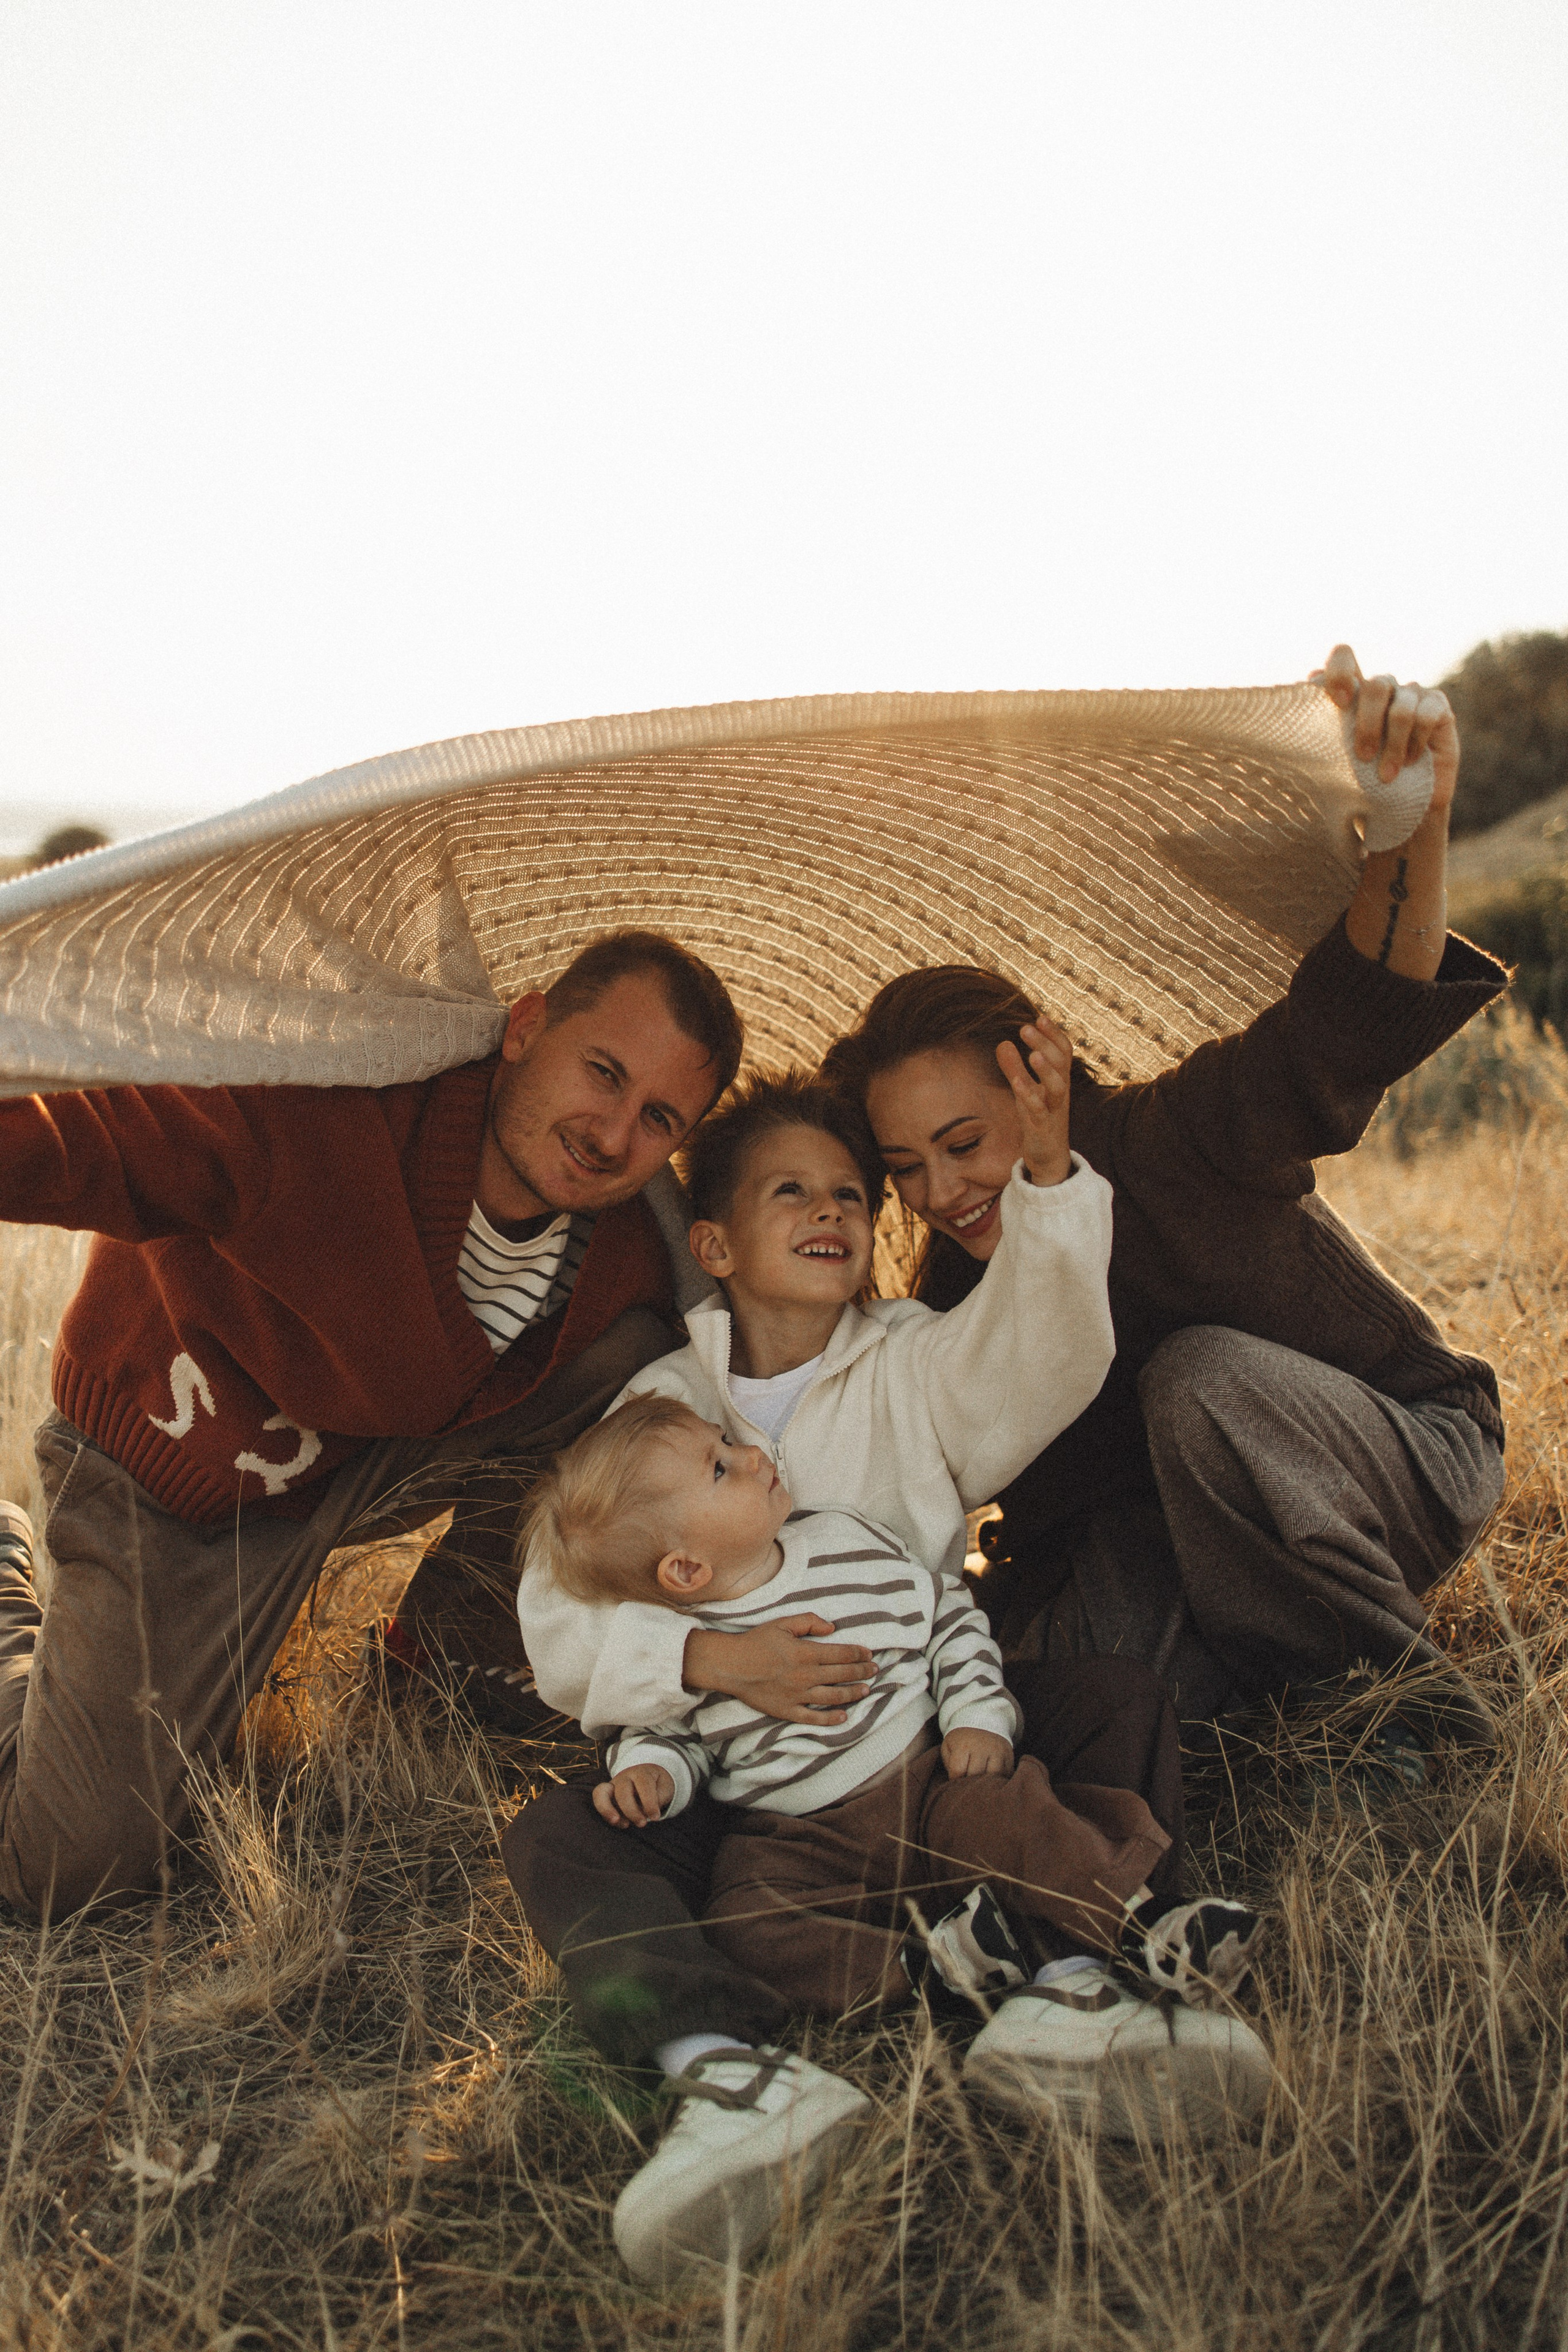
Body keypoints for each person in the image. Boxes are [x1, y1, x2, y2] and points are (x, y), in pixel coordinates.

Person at [508, 1061, 1267, 2278]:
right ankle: (731, 2076)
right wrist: (708, 1658)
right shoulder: (663, 1403)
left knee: (1112, 1696)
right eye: (790, 1194)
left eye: (854, 1195)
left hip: (931, 1753)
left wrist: (1053, 1178)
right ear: (713, 1241)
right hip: (757, 1800)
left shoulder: (915, 1359)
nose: (831, 1213)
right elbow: (557, 1609)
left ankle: (1073, 1978)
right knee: (558, 1836)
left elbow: (1046, 1348)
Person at [820, 649, 1509, 1731]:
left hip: (1394, 1452)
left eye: (963, 1143)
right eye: (905, 1167)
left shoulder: (1172, 1136)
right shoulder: (956, 1295)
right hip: (1185, 1531)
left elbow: (1347, 1025)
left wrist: (1411, 827)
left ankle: (1402, 1709)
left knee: (1198, 1382)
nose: (940, 1192)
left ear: (1038, 1072)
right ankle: (1257, 1690)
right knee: (1061, 1688)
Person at [0, 928, 742, 1919]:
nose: (611, 1135)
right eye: (600, 1073)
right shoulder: (325, 1115)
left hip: (363, 1463)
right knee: (71, 1873)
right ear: (526, 1028)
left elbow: (763, 1354)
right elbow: (91, 1139)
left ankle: (441, 1655)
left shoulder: (629, 1251)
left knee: (642, 1367)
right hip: (178, 1483)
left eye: (657, 1117)